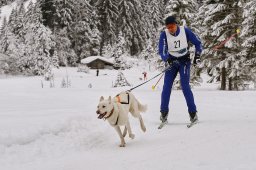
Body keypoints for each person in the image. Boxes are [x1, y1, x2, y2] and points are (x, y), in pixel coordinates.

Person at [158, 16, 202, 124]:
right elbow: (161, 50)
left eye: (172, 26)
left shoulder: (184, 31)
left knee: (185, 86)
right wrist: (166, 58)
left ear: (176, 24)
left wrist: (197, 55)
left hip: (184, 62)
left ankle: (193, 114)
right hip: (172, 62)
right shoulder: (164, 34)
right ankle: (163, 113)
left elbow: (198, 43)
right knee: (166, 87)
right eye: (168, 27)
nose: (170, 29)